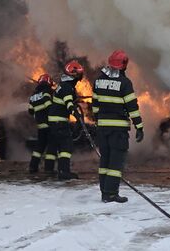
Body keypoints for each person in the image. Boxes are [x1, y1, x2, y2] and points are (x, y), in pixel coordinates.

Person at [92, 50, 143, 203]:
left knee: (105, 160)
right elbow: (132, 107)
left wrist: (99, 121)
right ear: (123, 65)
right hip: (118, 130)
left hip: (103, 128)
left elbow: (95, 105)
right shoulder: (124, 83)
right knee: (115, 162)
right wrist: (139, 126)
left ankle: (104, 192)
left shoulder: (98, 81)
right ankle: (111, 194)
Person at [47, 60, 85, 180]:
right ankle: (64, 172)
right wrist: (76, 115)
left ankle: (57, 170)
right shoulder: (67, 87)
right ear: (73, 75)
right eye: (79, 74)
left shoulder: (62, 85)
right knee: (66, 146)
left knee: (58, 146)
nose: (80, 77)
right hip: (59, 122)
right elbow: (68, 103)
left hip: (54, 121)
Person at [28, 73, 56, 174]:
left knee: (39, 147)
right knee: (52, 147)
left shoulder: (33, 96)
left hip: (40, 125)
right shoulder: (46, 92)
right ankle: (49, 168)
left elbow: (30, 111)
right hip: (49, 124)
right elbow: (49, 106)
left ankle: (33, 167)